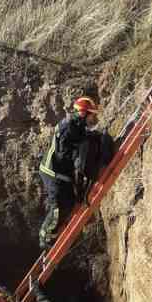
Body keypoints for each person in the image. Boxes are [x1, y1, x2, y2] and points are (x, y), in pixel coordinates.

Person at [38, 96, 113, 251]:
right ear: (84, 114)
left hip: (61, 172)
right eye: (93, 115)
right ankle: (45, 238)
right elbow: (68, 156)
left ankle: (55, 231)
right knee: (59, 206)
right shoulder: (68, 128)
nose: (95, 118)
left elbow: (82, 137)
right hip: (52, 172)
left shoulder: (76, 125)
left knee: (70, 202)